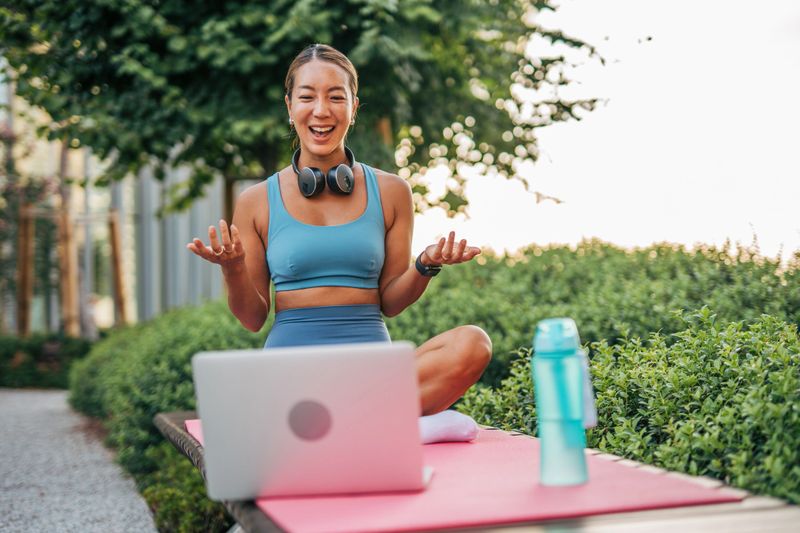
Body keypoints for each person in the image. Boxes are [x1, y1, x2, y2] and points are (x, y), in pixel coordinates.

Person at [188, 44, 491, 442]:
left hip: (373, 373)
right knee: (291, 404)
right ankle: (391, 427)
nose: (321, 110)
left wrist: (424, 265)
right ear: (289, 106)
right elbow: (252, 318)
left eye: (336, 97)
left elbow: (391, 302)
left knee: (473, 343)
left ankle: (354, 425)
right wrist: (233, 269)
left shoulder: (392, 191)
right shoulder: (256, 200)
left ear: (354, 106)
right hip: (293, 377)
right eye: (307, 96)